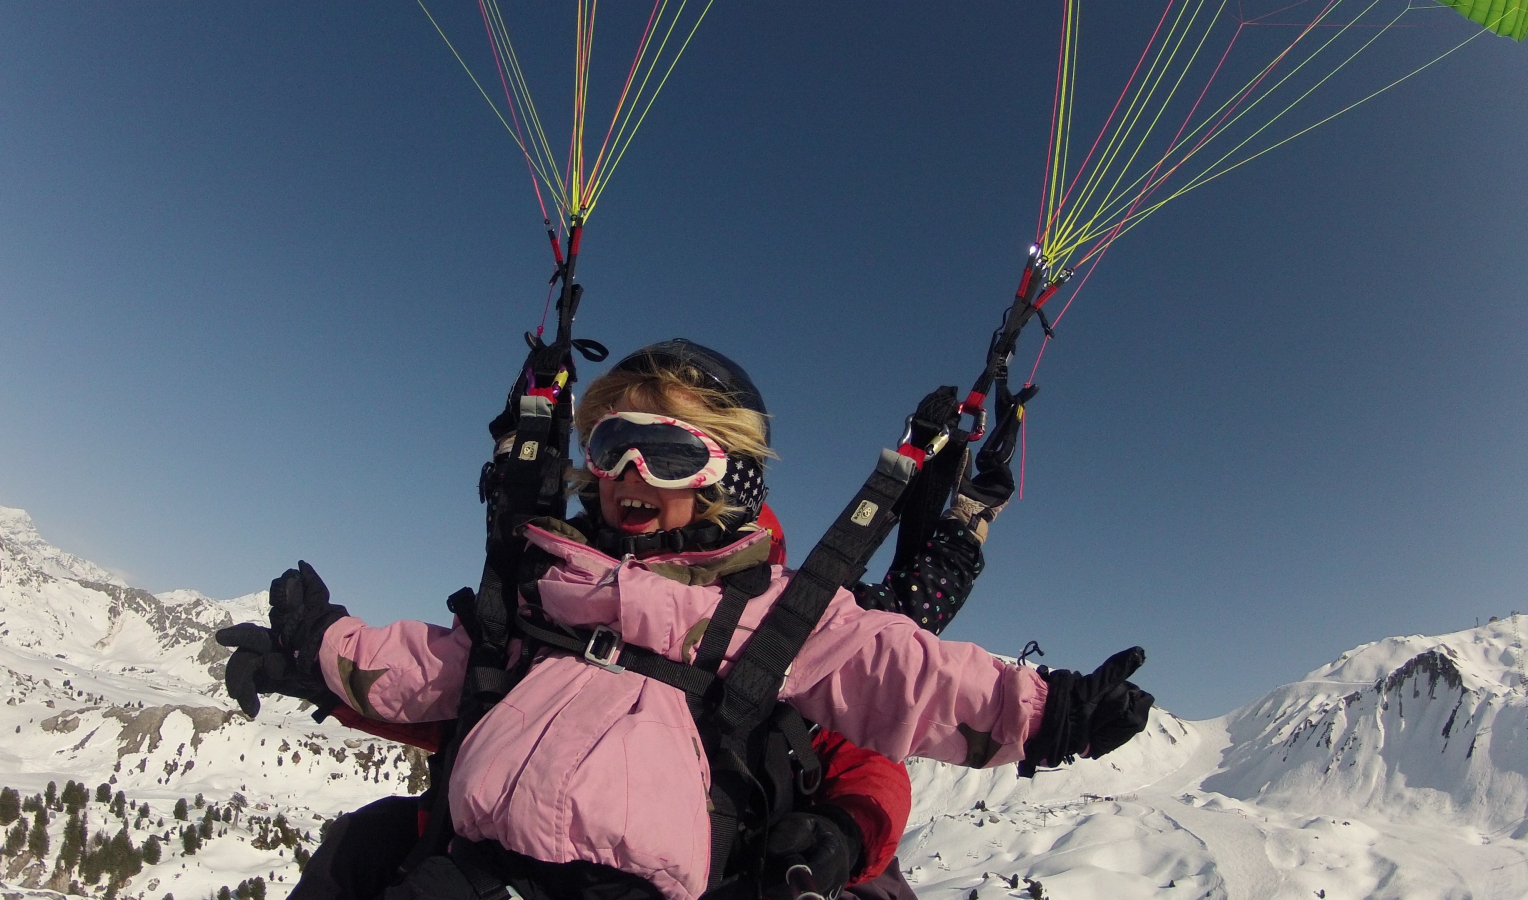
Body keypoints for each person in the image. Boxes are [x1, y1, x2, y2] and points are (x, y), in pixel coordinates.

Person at [222, 340, 1151, 900]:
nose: (630, 474)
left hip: (652, 870)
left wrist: (1043, 714)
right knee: (370, 846)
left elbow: (900, 678)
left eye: (665, 452)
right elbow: (451, 671)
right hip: (482, 861)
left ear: (729, 476)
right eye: (610, 446)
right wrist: (322, 654)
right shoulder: (556, 584)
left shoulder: (787, 619)